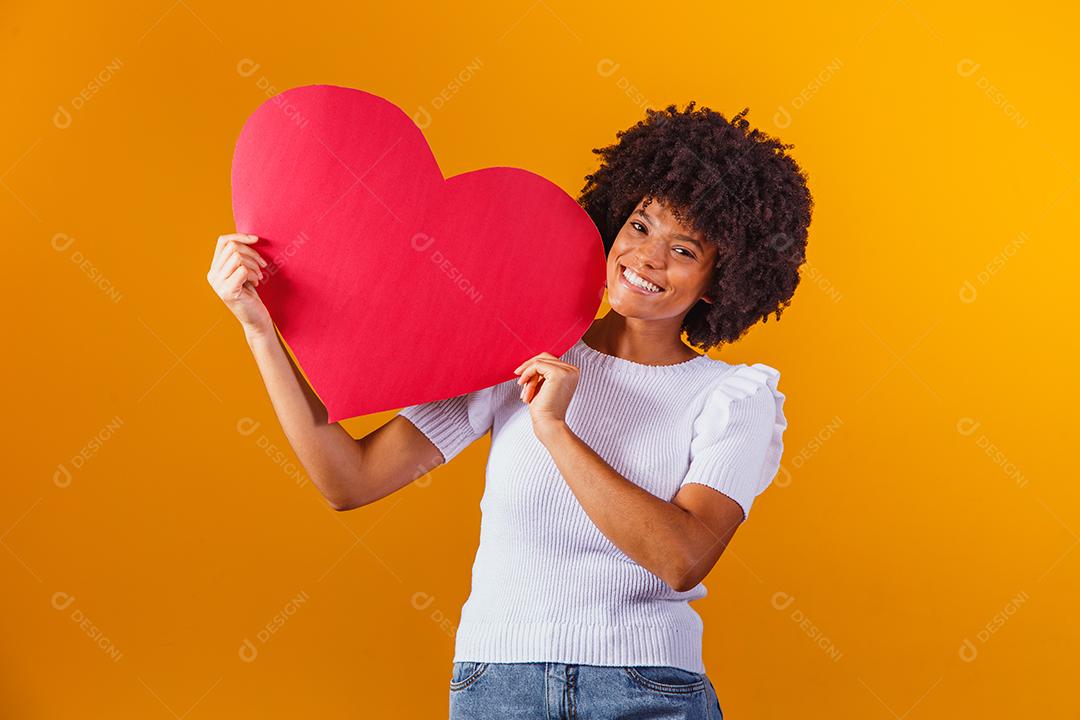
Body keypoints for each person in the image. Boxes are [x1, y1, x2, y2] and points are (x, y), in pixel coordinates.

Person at [207, 101, 812, 720]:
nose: (648, 257)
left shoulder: (734, 397)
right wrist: (260, 330)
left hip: (647, 692)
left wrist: (554, 429)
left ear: (721, 280)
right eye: (640, 226)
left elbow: (680, 558)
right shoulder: (519, 346)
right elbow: (349, 479)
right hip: (498, 686)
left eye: (684, 250)